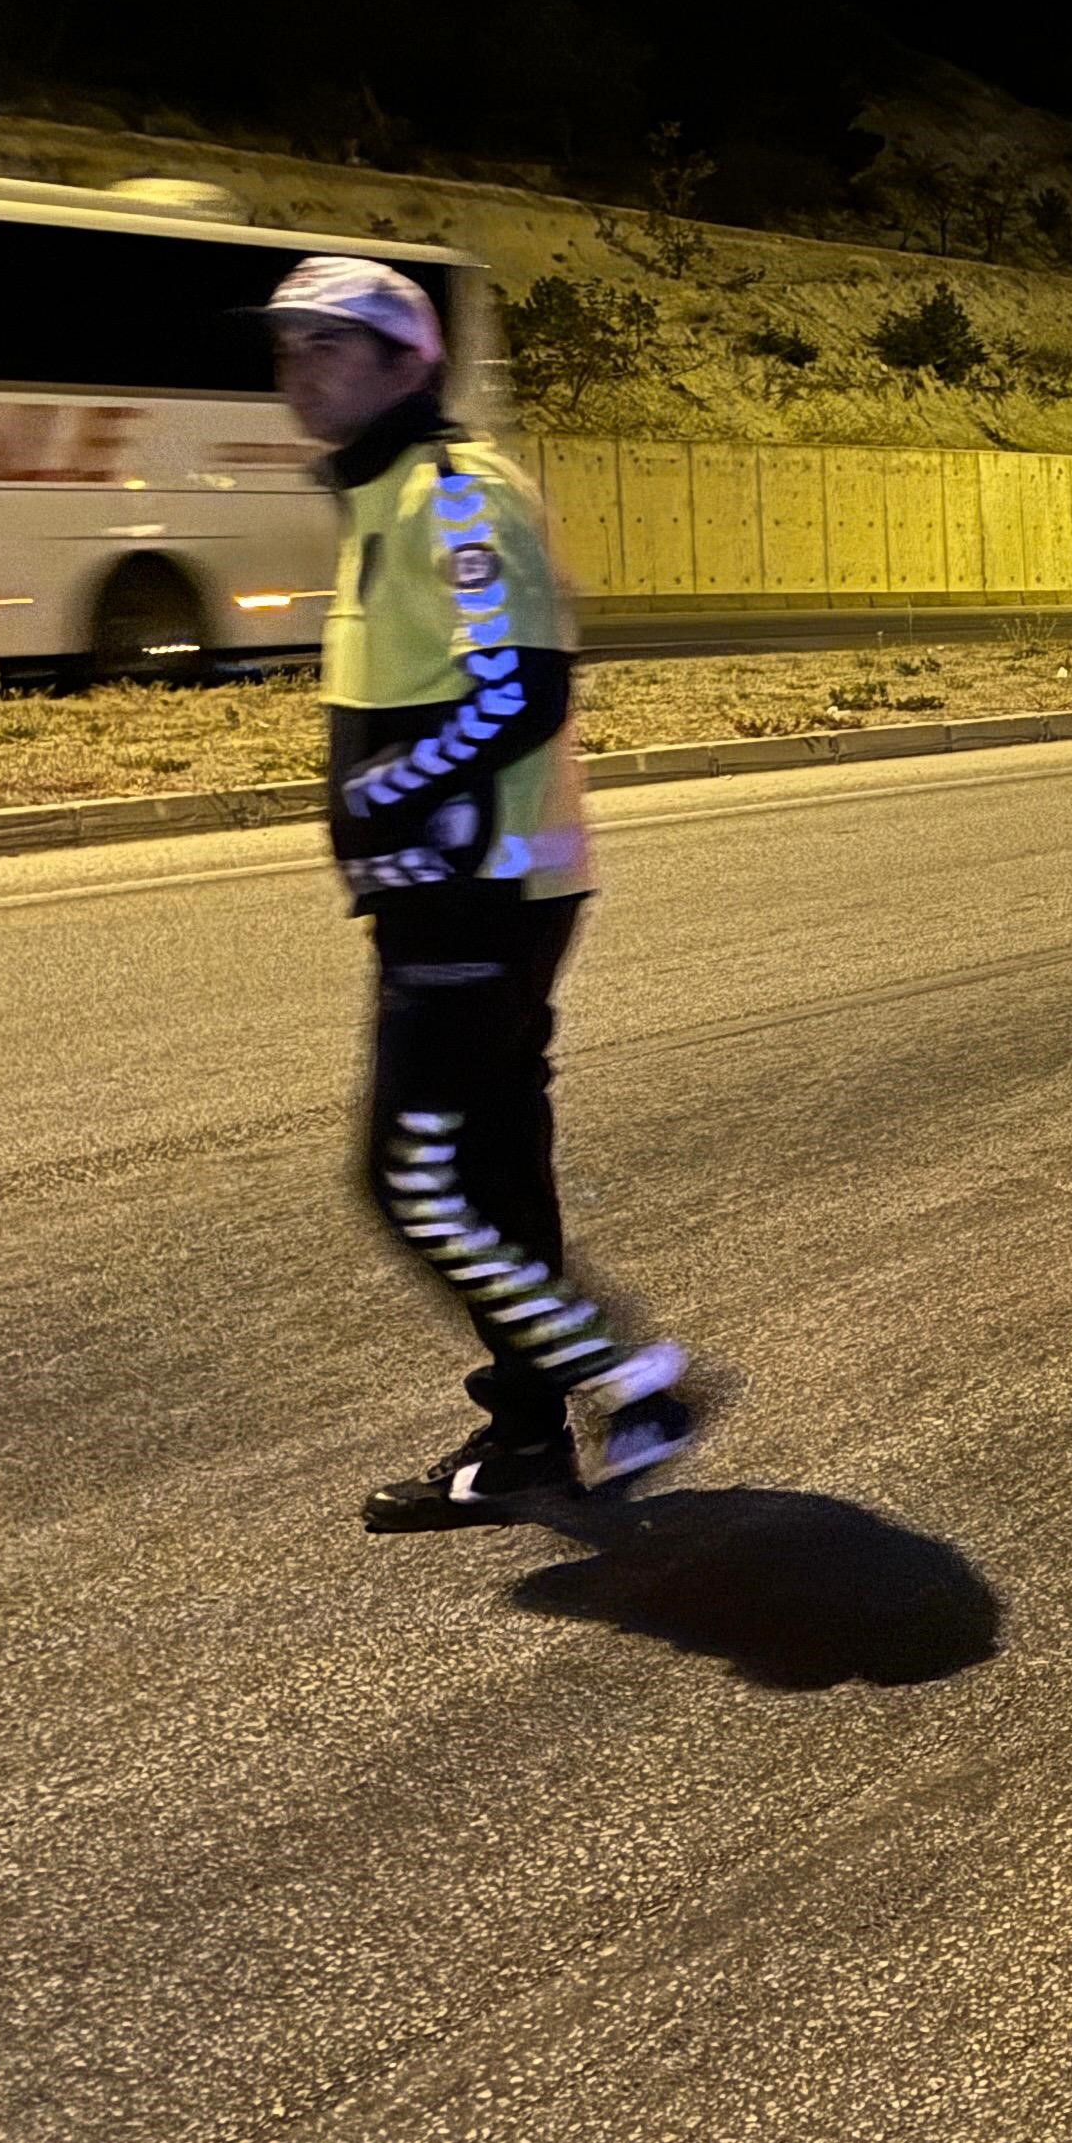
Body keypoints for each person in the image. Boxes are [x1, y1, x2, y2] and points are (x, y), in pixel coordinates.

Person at [262, 255, 699, 1529]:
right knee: (497, 1171)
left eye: (330, 344)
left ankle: (628, 1380)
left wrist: (381, 802)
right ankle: (524, 1446)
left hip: (480, 887)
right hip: (456, 885)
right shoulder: (385, 494)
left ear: (413, 363)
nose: (300, 367)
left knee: (416, 1181)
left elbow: (521, 692)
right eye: (287, 346)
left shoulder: (454, 494)